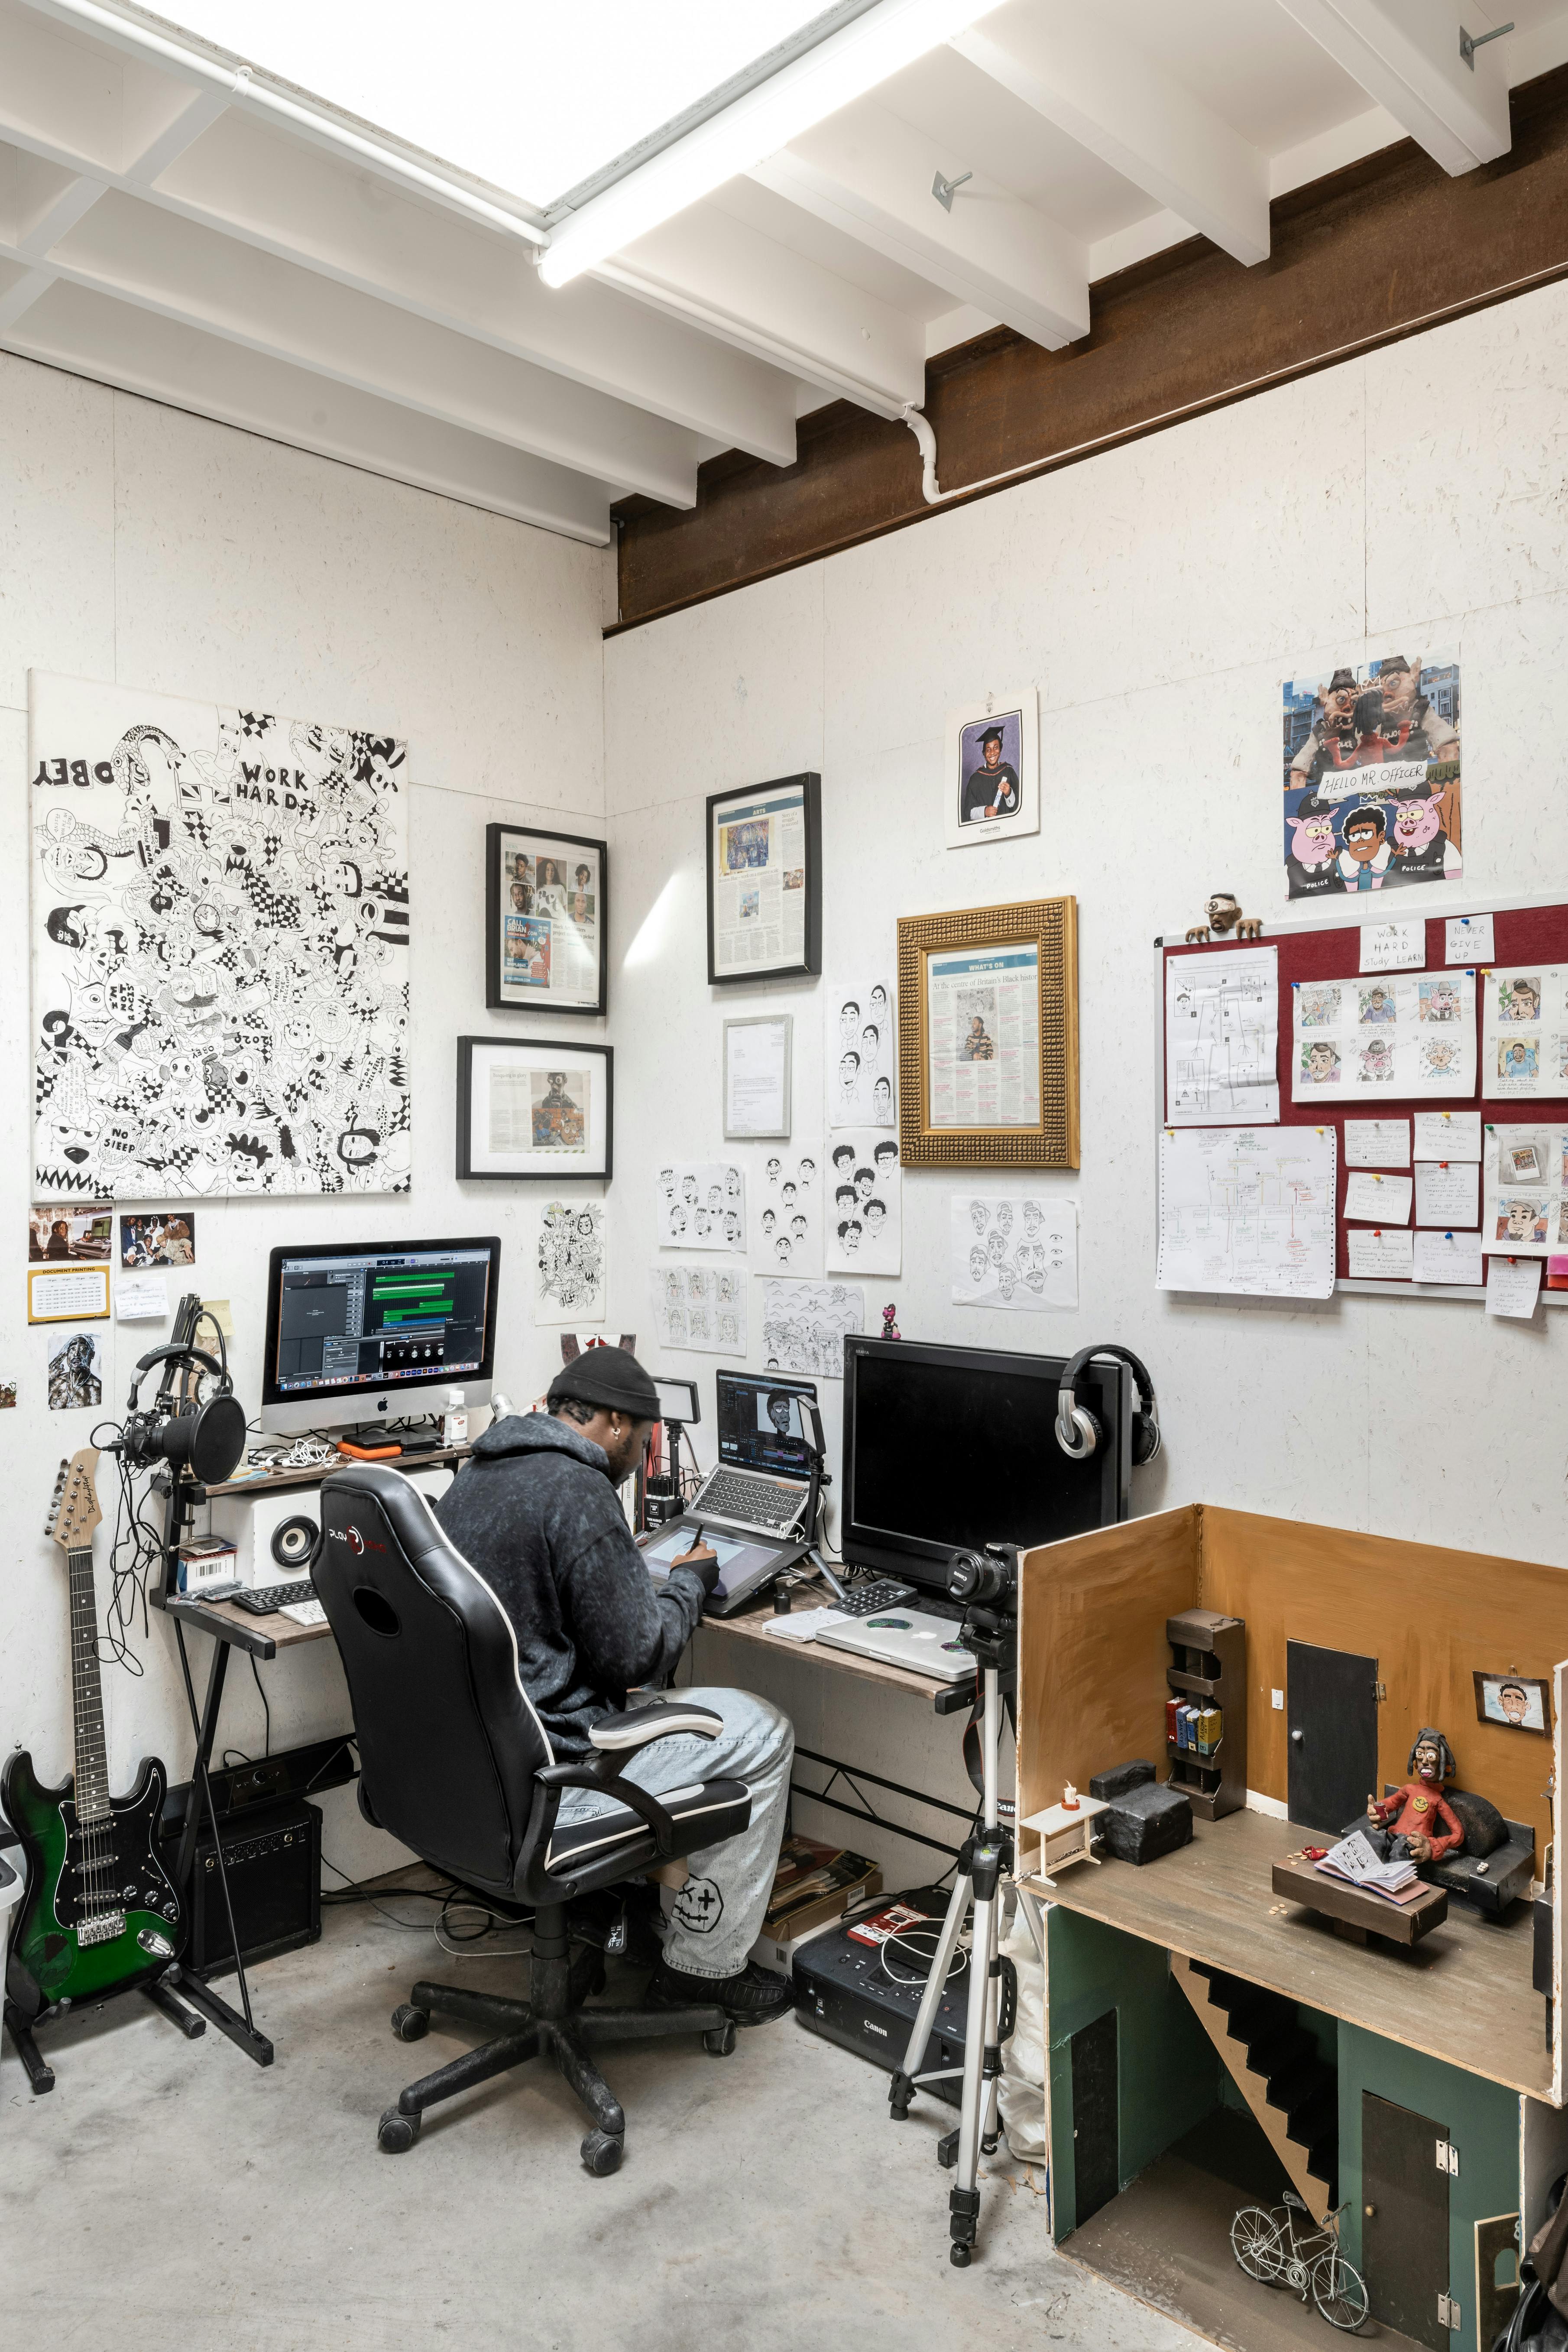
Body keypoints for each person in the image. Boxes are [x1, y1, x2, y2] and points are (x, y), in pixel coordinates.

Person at [434, 1347, 794, 2025]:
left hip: (470, 1777)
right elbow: (639, 1656)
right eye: (646, 1443)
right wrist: (688, 1579)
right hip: (557, 1780)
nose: (640, 1460)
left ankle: (611, 1909)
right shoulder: (580, 1491)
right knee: (768, 1729)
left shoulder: (476, 1472)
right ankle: (702, 1969)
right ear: (619, 1425)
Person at [1364, 1728, 1463, 1865]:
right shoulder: (1410, 1789)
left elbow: (1458, 1834)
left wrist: (1433, 1846)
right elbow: (1392, 1802)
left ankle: (1391, 1881)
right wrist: (1377, 1810)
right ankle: (1367, 1877)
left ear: (1443, 1765)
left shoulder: (1438, 1800)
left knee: (1400, 1849)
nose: (1425, 1762)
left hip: (1411, 1842)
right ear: (1415, 1761)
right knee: (1373, 1835)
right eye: (1420, 1754)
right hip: (1395, 1835)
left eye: (1431, 1757)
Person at [961, 724, 1019, 824]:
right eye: (988, 750)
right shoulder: (975, 778)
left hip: (1007, 827)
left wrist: (1009, 793)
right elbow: (968, 812)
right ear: (984, 753)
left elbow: (1019, 806)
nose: (992, 753)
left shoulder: (1009, 771)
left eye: (996, 748)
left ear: (1000, 750)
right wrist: (985, 811)